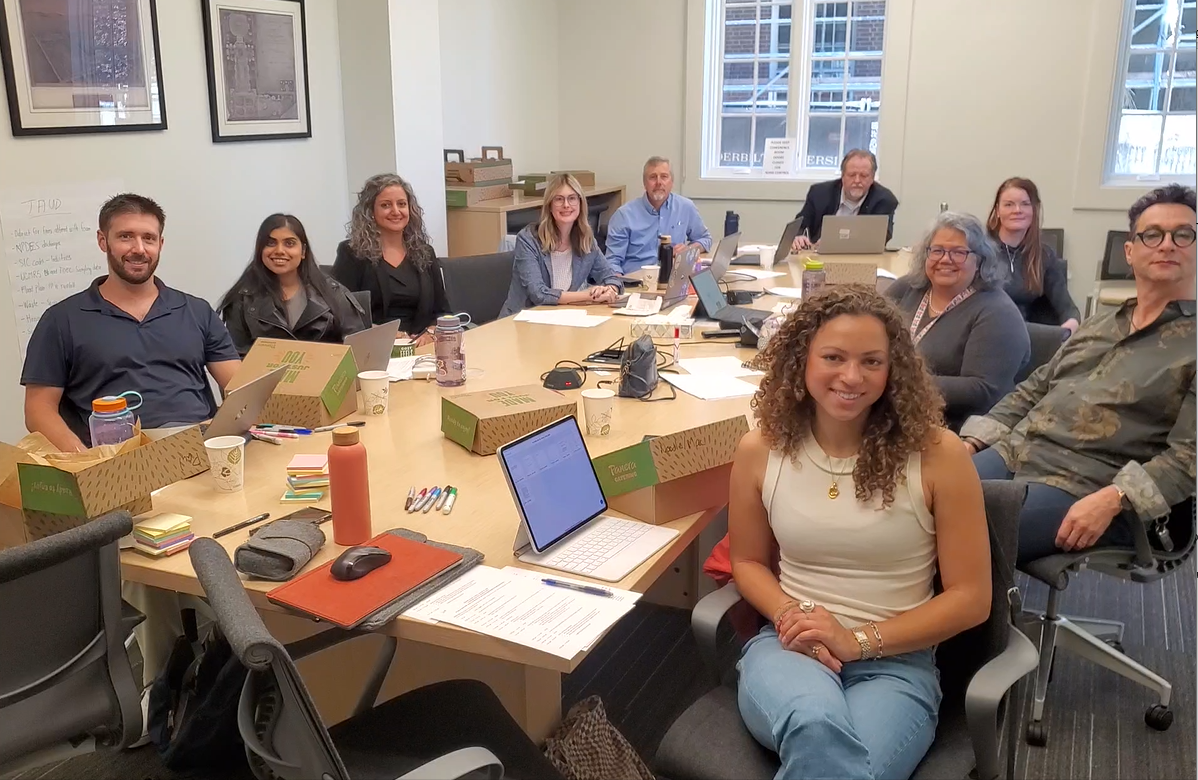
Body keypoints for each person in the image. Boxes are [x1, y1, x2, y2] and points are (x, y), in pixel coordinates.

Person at [730, 285, 991, 780]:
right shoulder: (760, 449)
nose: (852, 377)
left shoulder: (939, 455)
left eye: (872, 361)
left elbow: (971, 599)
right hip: (791, 649)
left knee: (837, 764)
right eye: (833, 357)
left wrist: (855, 641)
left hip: (897, 663)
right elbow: (746, 562)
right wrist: (792, 616)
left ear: (893, 370)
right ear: (801, 359)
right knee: (814, 725)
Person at [964, 183, 1196, 565]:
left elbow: (1189, 457)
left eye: (1183, 234)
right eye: (1152, 235)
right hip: (1015, 451)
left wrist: (1115, 498)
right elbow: (1034, 388)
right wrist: (971, 442)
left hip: (1086, 484)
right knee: (919, 500)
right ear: (1130, 251)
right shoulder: (1098, 324)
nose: (1167, 245)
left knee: (960, 534)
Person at [20, 193, 241, 452]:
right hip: (117, 457)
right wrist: (85, 460)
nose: (139, 249)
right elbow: (38, 410)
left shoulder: (196, 311)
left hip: (199, 447)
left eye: (148, 238)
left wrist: (225, 432)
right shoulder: (61, 320)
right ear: (103, 241)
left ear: (160, 243)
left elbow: (241, 388)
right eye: (126, 236)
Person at [885, 212, 1030, 430]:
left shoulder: (998, 313)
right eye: (937, 250)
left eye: (958, 252)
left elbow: (982, 389)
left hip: (954, 425)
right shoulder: (907, 288)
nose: (945, 259)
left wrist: (901, 380)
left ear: (980, 260)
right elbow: (869, 330)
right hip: (895, 409)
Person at [219, 214, 370, 356]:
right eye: (270, 243)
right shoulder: (242, 299)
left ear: (303, 251)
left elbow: (358, 348)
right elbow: (236, 358)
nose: (279, 251)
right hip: (267, 375)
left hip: (327, 372)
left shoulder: (331, 291)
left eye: (289, 243)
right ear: (260, 250)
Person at [333, 174, 449, 346]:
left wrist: (430, 333)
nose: (396, 211)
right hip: (375, 347)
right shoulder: (352, 253)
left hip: (421, 348)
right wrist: (385, 334)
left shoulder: (425, 252)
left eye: (401, 204)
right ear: (370, 212)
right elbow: (342, 314)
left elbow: (442, 312)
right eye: (385, 205)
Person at [499, 173, 623, 318]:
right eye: (559, 199)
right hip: (521, 320)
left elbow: (611, 277)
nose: (566, 205)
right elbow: (539, 294)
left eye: (572, 198)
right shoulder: (529, 239)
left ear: (580, 203)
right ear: (549, 206)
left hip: (562, 317)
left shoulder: (586, 241)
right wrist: (590, 295)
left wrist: (610, 290)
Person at [986, 177, 1080, 334]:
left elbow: (1068, 308)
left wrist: (1069, 327)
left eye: (1025, 204)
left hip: (1029, 334)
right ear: (997, 211)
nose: (1017, 210)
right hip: (989, 330)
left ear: (1034, 210)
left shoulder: (1044, 255)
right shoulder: (981, 250)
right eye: (1009, 204)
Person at [603, 156, 712, 274]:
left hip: (673, 278)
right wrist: (618, 282)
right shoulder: (623, 215)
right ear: (645, 183)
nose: (659, 182)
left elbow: (705, 239)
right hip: (637, 280)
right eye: (653, 177)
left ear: (671, 182)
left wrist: (689, 250)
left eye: (664, 177)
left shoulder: (685, 207)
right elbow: (612, 262)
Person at [793, 149, 899, 250]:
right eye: (852, 175)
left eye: (864, 176)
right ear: (842, 176)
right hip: (819, 256)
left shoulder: (884, 200)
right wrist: (798, 236)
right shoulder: (819, 193)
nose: (857, 180)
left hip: (863, 257)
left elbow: (882, 236)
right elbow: (799, 225)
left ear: (872, 178)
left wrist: (839, 244)